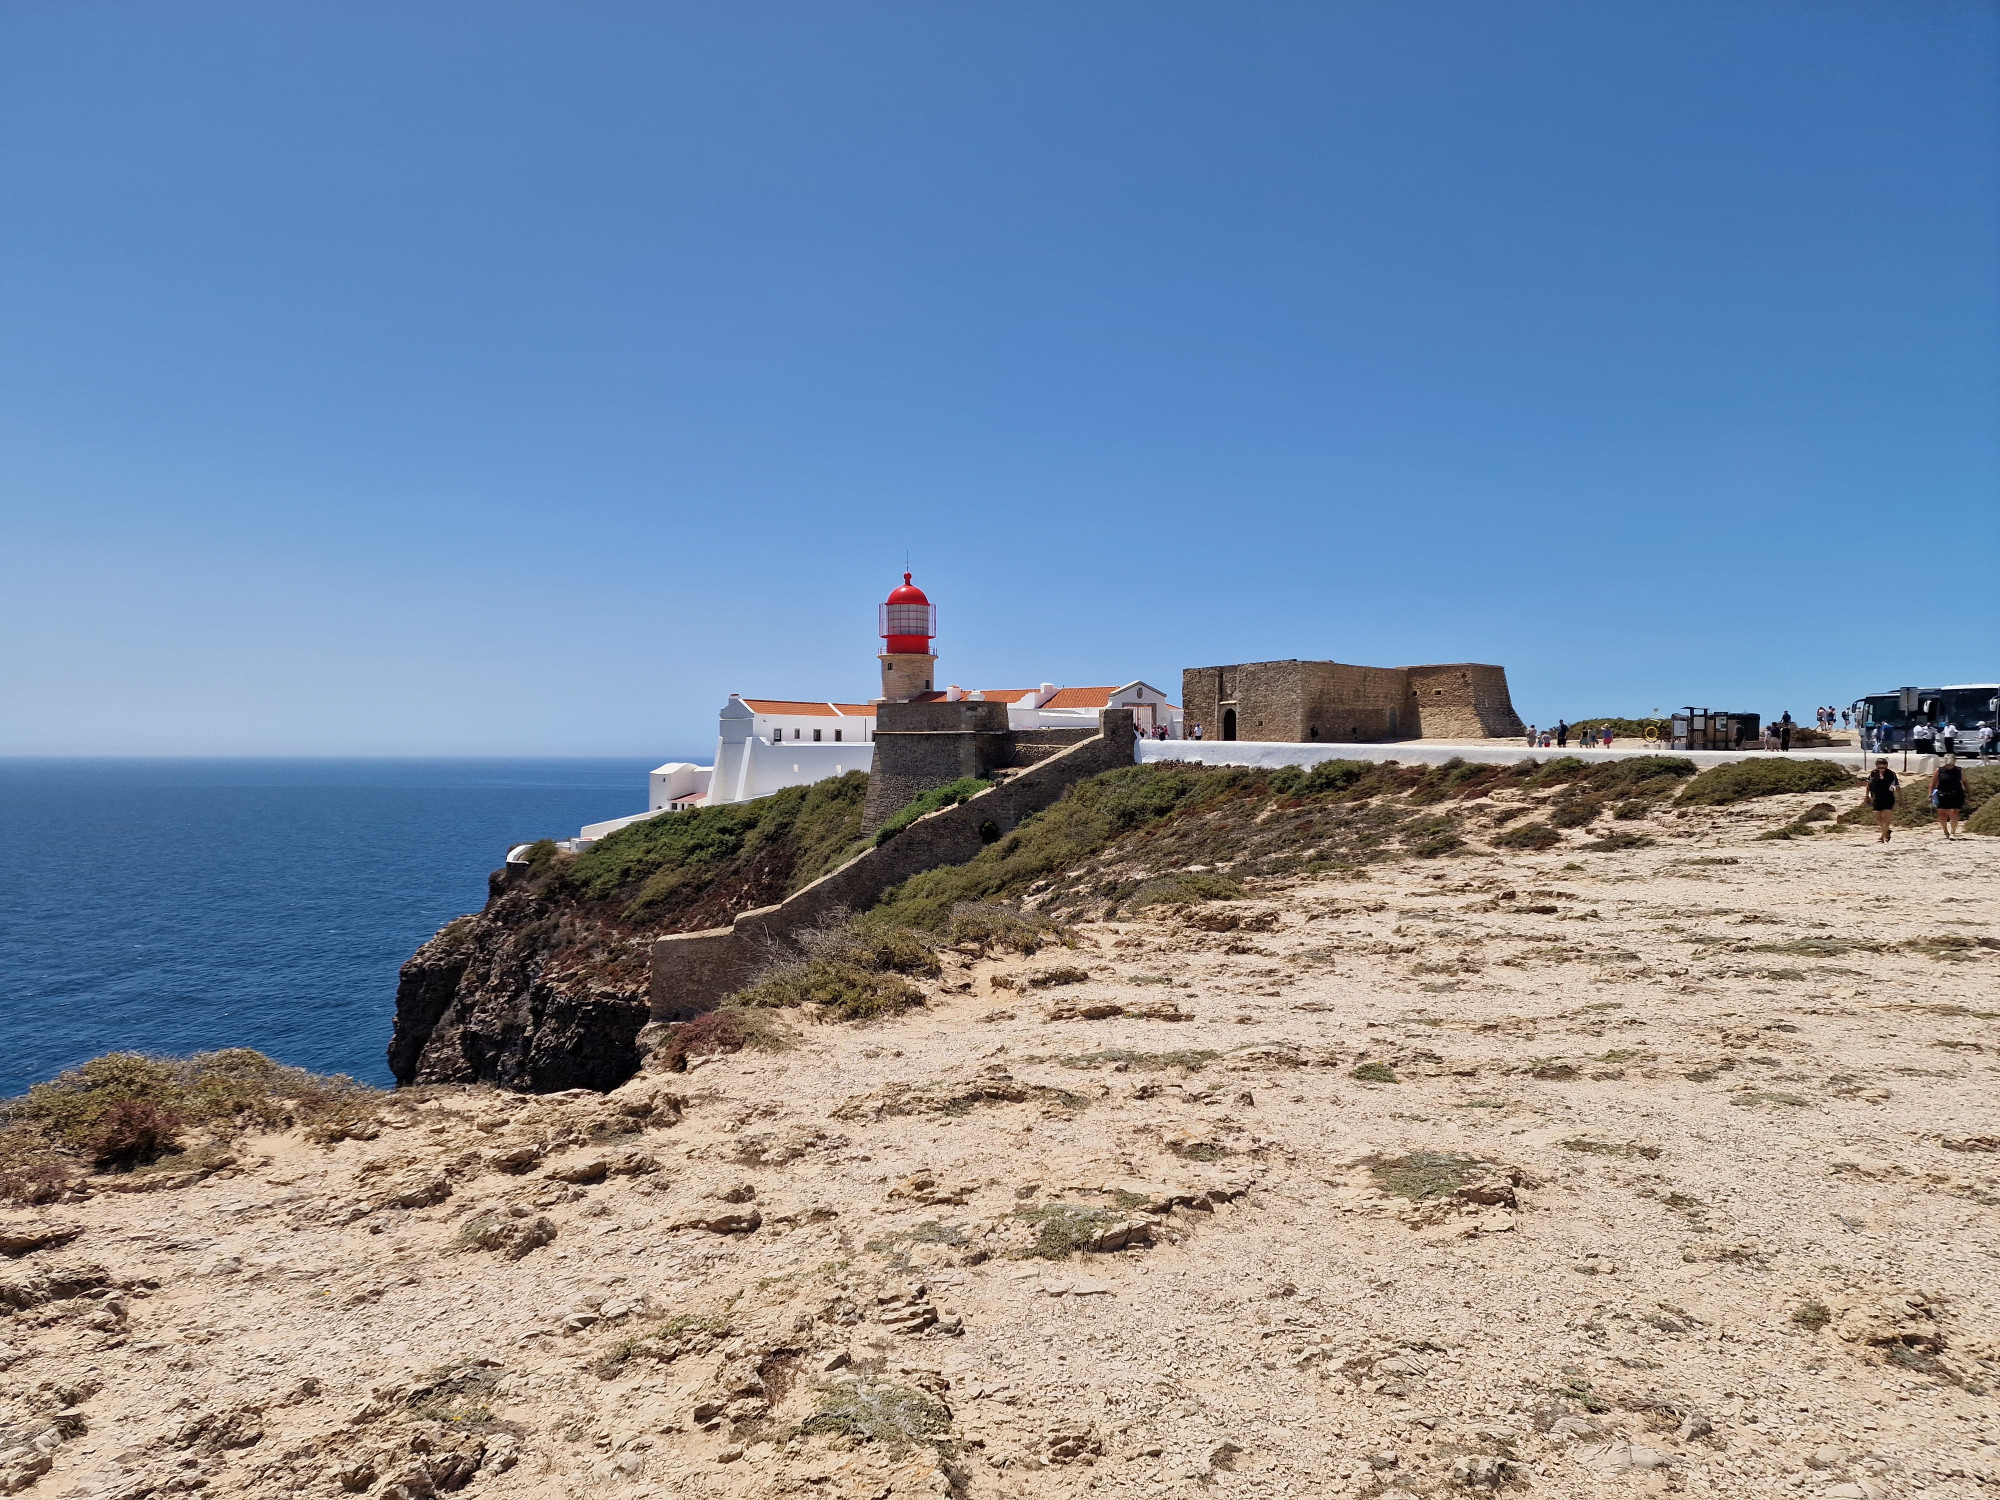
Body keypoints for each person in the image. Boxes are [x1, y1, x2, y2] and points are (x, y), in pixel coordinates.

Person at [1864, 758, 1900, 842]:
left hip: (1888, 798)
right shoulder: (1873, 773)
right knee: (1878, 818)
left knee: (1886, 820)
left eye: (1883, 767)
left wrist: (1900, 799)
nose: (1881, 769)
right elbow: (1868, 785)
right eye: (1879, 767)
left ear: (1886, 766)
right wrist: (1866, 796)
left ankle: (1882, 838)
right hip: (1876, 798)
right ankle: (1887, 832)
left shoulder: (1891, 774)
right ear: (1876, 766)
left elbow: (1897, 787)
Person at [1931, 755, 1967, 839]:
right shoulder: (1939, 770)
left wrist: (1968, 793)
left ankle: (1953, 832)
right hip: (1942, 794)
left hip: (1956, 793)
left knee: (1954, 812)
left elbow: (1965, 782)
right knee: (1941, 814)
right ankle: (1945, 831)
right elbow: (1932, 784)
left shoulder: (1959, 770)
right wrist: (1931, 795)